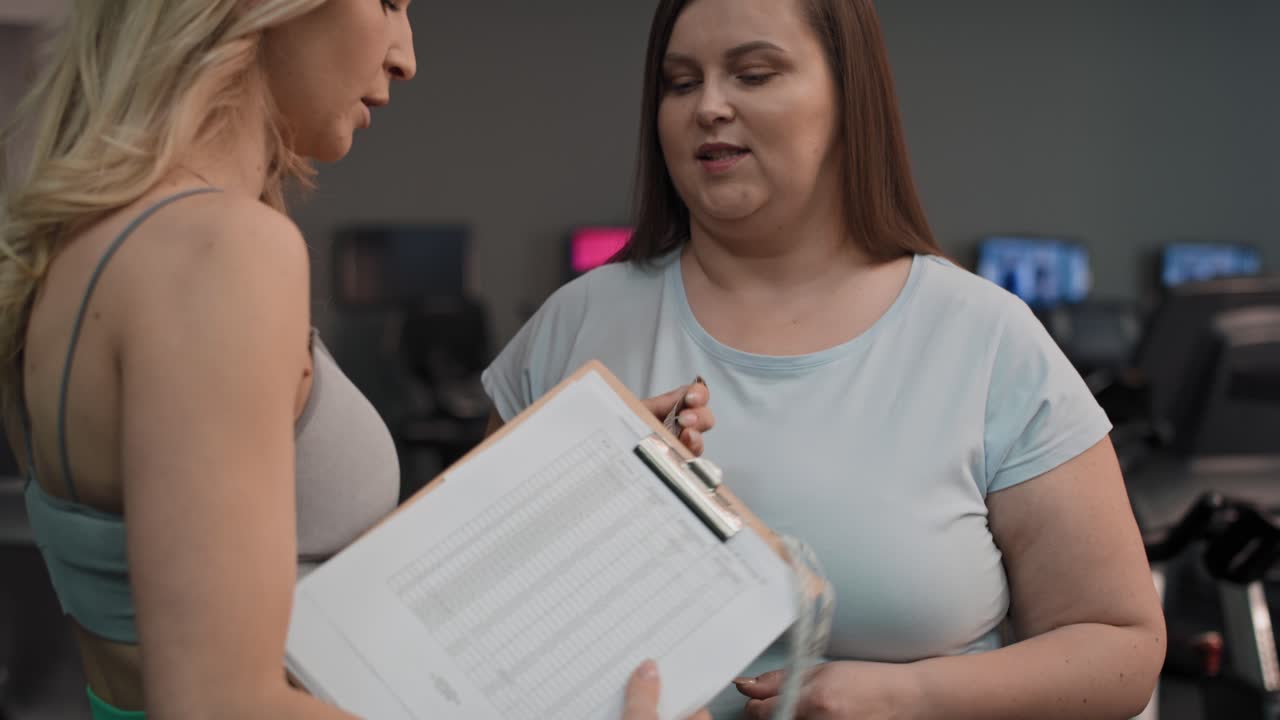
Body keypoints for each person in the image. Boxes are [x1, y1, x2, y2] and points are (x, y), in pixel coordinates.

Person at [0, 1, 709, 717]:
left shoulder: (80, 250)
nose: (406, 54)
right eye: (389, 3)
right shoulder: (223, 250)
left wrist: (565, 468)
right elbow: (224, 706)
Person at [481, 0, 1166, 718]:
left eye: (753, 74)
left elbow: (1121, 650)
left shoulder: (985, 339)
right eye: (680, 83)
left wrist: (915, 696)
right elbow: (457, 624)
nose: (709, 106)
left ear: (848, 97)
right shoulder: (574, 329)